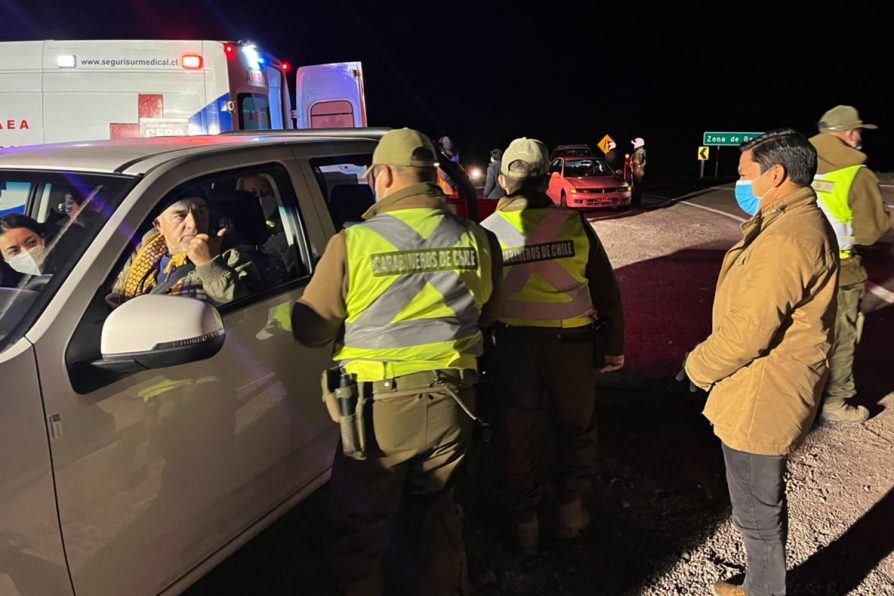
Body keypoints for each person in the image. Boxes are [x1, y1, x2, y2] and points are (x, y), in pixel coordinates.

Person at [290, 128, 500, 595]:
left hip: (378, 413)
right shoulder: (478, 239)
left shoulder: (353, 243)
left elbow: (310, 330)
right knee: (439, 517)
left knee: (359, 532)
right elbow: (489, 311)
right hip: (455, 401)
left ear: (382, 175)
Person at [680, 129, 839, 596]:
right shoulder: (787, 222)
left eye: (745, 175)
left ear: (776, 175)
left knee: (756, 507)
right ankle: (761, 585)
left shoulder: (788, 238)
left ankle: (765, 591)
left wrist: (695, 367)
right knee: (759, 502)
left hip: (763, 393)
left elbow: (749, 332)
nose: (740, 184)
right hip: (766, 385)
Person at [479, 137, 625, 555]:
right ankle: (569, 512)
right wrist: (613, 344)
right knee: (576, 428)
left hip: (511, 348)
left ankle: (524, 523)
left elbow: (476, 298)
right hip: (572, 347)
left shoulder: (486, 232)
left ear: (504, 180)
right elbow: (606, 290)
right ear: (546, 180)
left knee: (516, 433)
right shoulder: (575, 225)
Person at [809, 105, 891, 424]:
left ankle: (798, 397)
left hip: (798, 266)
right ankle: (834, 402)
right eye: (857, 131)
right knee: (841, 334)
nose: (859, 137)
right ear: (847, 134)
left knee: (801, 333)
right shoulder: (856, 173)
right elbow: (871, 232)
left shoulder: (800, 162)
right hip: (841, 270)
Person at [107, 196, 261, 307]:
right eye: (180, 216)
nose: (193, 225)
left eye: (201, 212)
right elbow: (113, 297)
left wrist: (210, 265)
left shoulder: (230, 257)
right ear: (159, 225)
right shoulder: (139, 253)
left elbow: (248, 314)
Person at [630, 137, 647, 206]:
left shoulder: (639, 152)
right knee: (636, 187)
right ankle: (636, 202)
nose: (634, 145)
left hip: (638, 172)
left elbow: (637, 162)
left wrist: (632, 162)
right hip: (638, 171)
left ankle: (637, 203)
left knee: (637, 187)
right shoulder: (641, 151)